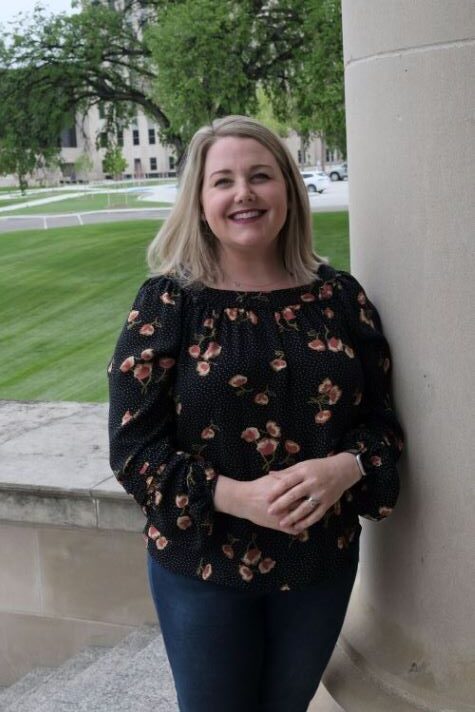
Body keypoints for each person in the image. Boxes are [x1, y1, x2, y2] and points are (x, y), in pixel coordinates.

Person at [108, 115, 404, 712]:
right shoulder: (168, 302)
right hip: (202, 569)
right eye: (223, 181)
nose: (243, 193)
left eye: (260, 176)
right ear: (200, 201)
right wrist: (237, 497)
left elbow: (385, 429)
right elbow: (133, 450)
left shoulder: (340, 298)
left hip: (320, 563)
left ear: (289, 191)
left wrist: (345, 469)